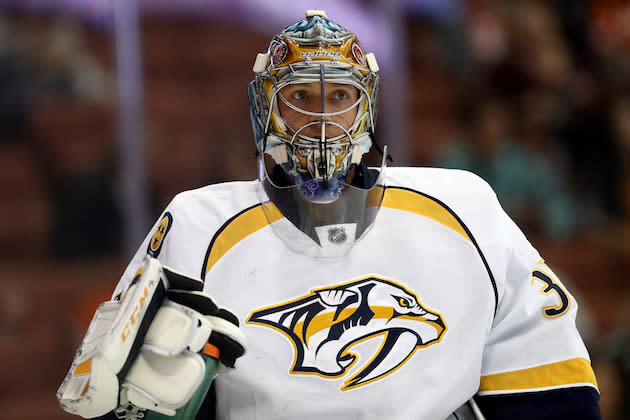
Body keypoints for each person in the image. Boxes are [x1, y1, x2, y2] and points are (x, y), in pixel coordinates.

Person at [57, 10, 601, 420]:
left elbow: (549, 387)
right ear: (264, 110)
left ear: (367, 108)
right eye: (300, 97)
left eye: (339, 96)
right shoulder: (196, 224)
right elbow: (102, 397)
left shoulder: (464, 208)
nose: (321, 118)